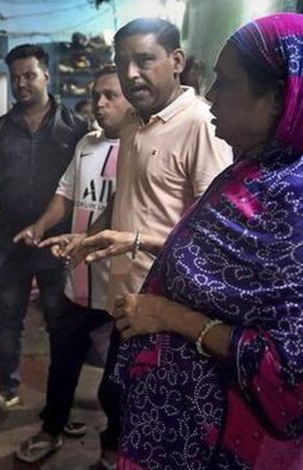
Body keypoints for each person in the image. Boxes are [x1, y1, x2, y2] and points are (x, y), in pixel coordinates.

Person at [74, 13, 303, 468]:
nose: (212, 94)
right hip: (180, 416)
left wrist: (169, 315)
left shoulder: (290, 202)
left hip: (227, 438)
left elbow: (286, 368)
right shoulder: (249, 173)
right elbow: (204, 259)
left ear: (279, 97)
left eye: (227, 83)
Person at [13, 65, 133, 465]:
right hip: (78, 280)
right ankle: (52, 429)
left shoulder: (141, 148)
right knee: (63, 363)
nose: (100, 104)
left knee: (116, 380)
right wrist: (39, 225)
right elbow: (65, 195)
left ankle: (112, 448)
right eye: (96, 95)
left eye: (111, 95)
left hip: (122, 285)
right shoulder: (86, 144)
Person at [0, 44, 89, 417]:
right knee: (8, 320)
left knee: (59, 324)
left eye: (29, 75)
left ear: (46, 76)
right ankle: (7, 389)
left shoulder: (76, 128)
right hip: (9, 241)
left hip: (57, 243)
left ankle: (59, 404)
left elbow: (83, 189)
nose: (21, 83)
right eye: (16, 77)